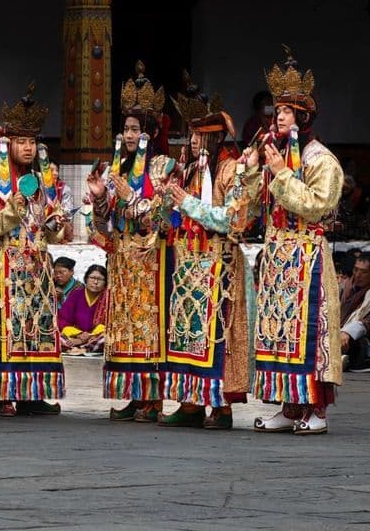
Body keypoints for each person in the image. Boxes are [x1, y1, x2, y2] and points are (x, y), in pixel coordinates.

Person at [237, 48, 343, 435]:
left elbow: (317, 206)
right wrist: (252, 172)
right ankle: (288, 405)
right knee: (278, 332)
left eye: (285, 111)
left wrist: (281, 175)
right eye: (276, 110)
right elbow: (247, 207)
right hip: (278, 256)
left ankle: (316, 409)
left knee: (311, 332)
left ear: (302, 117)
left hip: (307, 256)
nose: (277, 116)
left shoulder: (321, 160)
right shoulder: (274, 154)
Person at [160, 73, 254, 429]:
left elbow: (234, 220)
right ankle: (190, 402)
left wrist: (189, 204)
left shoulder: (235, 170)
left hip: (222, 264)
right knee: (188, 328)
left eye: (200, 134)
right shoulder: (188, 167)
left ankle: (222, 407)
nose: (194, 140)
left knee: (220, 334)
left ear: (215, 136)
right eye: (192, 133)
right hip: (190, 263)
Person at [87, 61, 174, 424]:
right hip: (122, 259)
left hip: (151, 259)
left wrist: (128, 199)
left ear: (150, 133)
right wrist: (99, 198)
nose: (129, 134)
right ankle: (129, 394)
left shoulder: (164, 167)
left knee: (148, 327)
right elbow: (103, 223)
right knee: (122, 327)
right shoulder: (115, 168)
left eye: (136, 128)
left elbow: (161, 217)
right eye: (125, 128)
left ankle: (151, 398)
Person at [0, 84, 69, 417]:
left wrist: (55, 220)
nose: (28, 148)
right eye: (21, 142)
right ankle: (6, 393)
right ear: (8, 145)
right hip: (8, 266)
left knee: (41, 326)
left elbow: (57, 234)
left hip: (39, 267)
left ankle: (35, 393)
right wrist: (11, 207)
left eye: (33, 142)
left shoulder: (45, 182)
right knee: (10, 327)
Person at [59, 264, 108, 356]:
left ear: (105, 283)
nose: (95, 282)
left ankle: (83, 348)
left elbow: (109, 323)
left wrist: (89, 337)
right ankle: (80, 348)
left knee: (106, 338)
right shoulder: (76, 294)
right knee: (58, 337)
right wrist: (78, 335)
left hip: (95, 337)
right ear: (86, 279)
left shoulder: (108, 297)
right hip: (76, 335)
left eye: (100, 279)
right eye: (92, 278)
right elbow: (63, 319)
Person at [339, 253, 370, 372]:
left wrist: (347, 332)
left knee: (357, 341)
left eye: (364, 272)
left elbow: (367, 323)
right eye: (356, 270)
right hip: (336, 331)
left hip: (359, 338)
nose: (358, 275)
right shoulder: (344, 286)